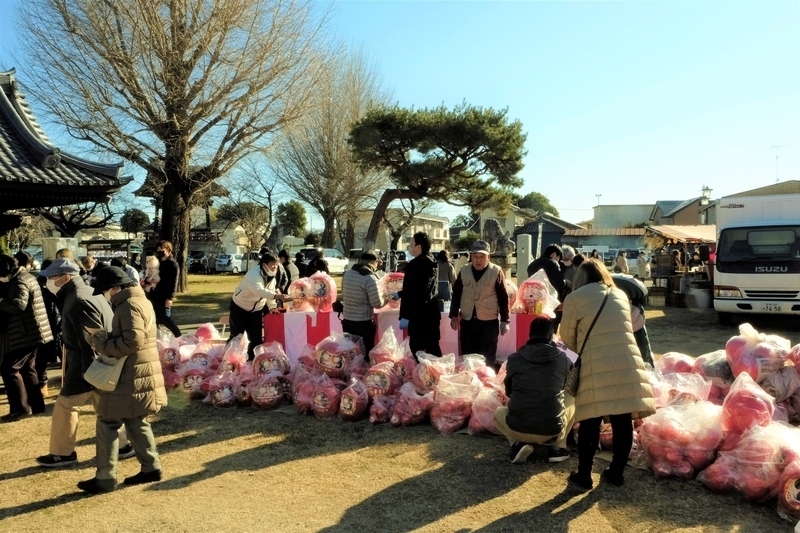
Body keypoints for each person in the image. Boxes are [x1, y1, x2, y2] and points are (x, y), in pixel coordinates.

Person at [561, 258, 656, 490]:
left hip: (596, 363)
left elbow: (567, 337)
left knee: (590, 421)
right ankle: (616, 472)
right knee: (622, 421)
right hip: (627, 362)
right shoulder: (620, 295)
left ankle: (584, 475)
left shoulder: (574, 298)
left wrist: (583, 348)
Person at [35, 259, 134, 467]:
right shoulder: (85, 293)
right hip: (95, 363)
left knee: (66, 405)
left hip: (86, 365)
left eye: (52, 278)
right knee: (106, 407)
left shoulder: (78, 299)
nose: (48, 282)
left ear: (66, 277)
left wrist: (94, 372)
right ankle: (123, 445)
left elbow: (92, 340)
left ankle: (63, 453)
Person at [81, 267, 168, 493]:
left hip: (129, 372)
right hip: (140, 370)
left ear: (116, 288)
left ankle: (106, 477)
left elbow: (132, 341)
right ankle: (151, 467)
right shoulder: (141, 300)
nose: (107, 295)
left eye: (107, 290)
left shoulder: (128, 305)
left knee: (108, 420)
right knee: (136, 420)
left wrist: (101, 344)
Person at [494, 317, 574, 464]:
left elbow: (509, 392)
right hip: (551, 430)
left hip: (517, 427)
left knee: (498, 413)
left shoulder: (514, 359)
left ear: (529, 335)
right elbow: (571, 385)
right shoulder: (562, 359)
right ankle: (558, 448)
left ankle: (518, 444)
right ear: (552, 337)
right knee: (572, 398)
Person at [0, 253, 52, 421]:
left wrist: (1, 300)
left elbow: (18, 305)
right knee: (28, 369)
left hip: (26, 333)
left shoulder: (20, 280)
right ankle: (37, 405)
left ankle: (21, 408)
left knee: (10, 368)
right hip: (33, 332)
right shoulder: (25, 277)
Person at [449, 240, 510, 367]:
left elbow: (503, 298)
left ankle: (487, 384)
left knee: (487, 359)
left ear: (489, 257)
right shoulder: (464, 270)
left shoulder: (496, 271)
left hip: (488, 323)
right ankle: (471, 384)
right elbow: (456, 294)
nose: (478, 260)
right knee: (468, 358)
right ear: (471, 256)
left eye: (482, 257)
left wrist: (505, 321)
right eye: (475, 256)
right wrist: (453, 315)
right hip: (468, 321)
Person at [229, 253, 291, 359]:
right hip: (240, 307)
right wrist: (278, 296)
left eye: (276, 265)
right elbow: (260, 291)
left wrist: (272, 307)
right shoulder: (253, 274)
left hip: (256, 310)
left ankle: (254, 361)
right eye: (272, 265)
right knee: (236, 337)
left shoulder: (272, 277)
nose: (275, 268)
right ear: (264, 265)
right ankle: (231, 361)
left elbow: (269, 293)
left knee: (256, 339)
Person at [398, 232, 441, 356]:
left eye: (412, 243)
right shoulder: (432, 261)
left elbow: (415, 292)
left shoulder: (415, 265)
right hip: (432, 312)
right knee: (432, 347)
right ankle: (436, 373)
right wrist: (400, 294)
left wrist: (406, 315)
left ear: (419, 246)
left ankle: (428, 374)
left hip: (419, 315)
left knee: (417, 348)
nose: (410, 246)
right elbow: (423, 287)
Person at [341, 252, 388, 355]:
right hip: (363, 322)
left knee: (350, 352)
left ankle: (350, 371)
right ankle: (363, 370)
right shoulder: (369, 278)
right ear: (373, 262)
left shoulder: (347, 274)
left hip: (348, 320)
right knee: (365, 353)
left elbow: (344, 295)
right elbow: (377, 303)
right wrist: (387, 298)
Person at [612, 273, 654, 366]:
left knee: (640, 346)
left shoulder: (626, 283)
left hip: (633, 314)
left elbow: (643, 294)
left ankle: (647, 365)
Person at [35, 258, 62, 394]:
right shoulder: (53, 285)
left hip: (45, 325)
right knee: (63, 356)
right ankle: (43, 386)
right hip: (53, 325)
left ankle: (42, 386)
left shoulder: (38, 284)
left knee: (41, 360)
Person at [526, 243, 566, 328]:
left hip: (534, 300)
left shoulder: (532, 264)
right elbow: (558, 284)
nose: (558, 260)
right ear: (554, 254)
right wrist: (566, 283)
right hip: (549, 301)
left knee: (537, 321)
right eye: (558, 258)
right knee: (550, 323)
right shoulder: (553, 263)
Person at [150, 240, 181, 337]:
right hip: (154, 293)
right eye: (158, 249)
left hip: (164, 295)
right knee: (154, 319)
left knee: (166, 318)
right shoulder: (157, 262)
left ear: (168, 250)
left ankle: (179, 336)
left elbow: (174, 282)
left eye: (161, 249)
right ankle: (156, 338)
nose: (159, 251)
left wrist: (170, 297)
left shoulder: (173, 264)